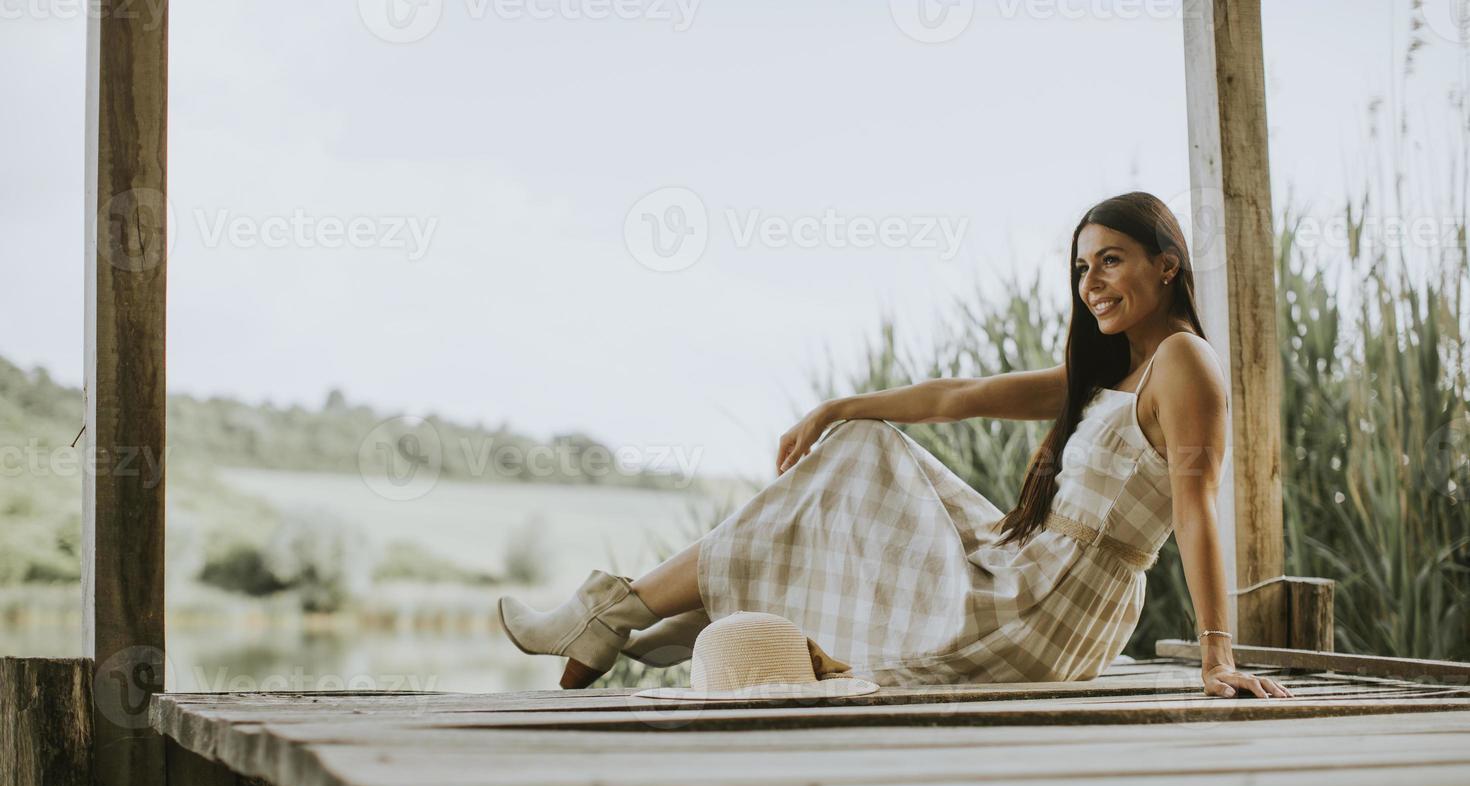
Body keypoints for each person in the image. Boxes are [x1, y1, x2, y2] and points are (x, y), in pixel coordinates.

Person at [498, 190, 1292, 701]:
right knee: (865, 442)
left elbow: (1195, 503)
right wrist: (838, 406)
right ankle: (669, 604)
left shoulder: (1184, 363)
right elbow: (960, 398)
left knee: (863, 458)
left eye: (1110, 261)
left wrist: (1216, 658)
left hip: (1052, 601)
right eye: (1082, 268)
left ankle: (626, 610)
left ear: (1167, 263)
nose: (1091, 284)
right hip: (1029, 571)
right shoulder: (1113, 372)